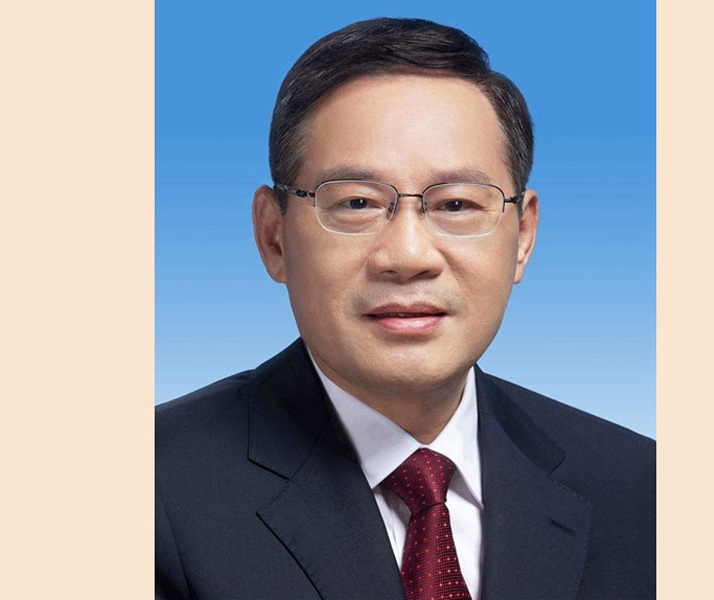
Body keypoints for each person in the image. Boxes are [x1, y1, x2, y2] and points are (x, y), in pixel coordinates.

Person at [156, 17, 655, 600]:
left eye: (457, 204)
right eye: (357, 203)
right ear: (274, 237)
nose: (409, 256)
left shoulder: (641, 489)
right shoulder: (151, 492)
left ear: (522, 237)